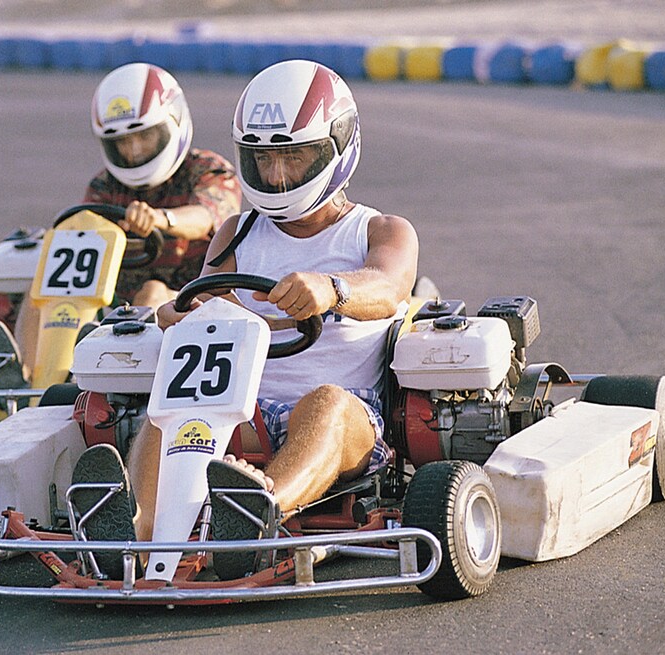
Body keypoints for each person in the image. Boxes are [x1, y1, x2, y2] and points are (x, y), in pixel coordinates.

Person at [71, 59, 420, 580]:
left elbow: (390, 288)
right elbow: (206, 302)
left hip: (343, 418)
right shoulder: (236, 231)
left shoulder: (380, 230)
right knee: (168, 408)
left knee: (325, 403)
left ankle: (258, 513)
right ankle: (133, 534)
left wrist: (333, 289)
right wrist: (177, 312)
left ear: (336, 147)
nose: (278, 176)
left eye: (294, 157)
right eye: (264, 160)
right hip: (237, 411)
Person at [0, 63, 241, 388]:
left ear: (172, 122)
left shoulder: (209, 171)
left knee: (152, 291)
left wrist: (161, 219)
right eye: (122, 142)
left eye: (144, 136)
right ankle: (28, 382)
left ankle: (104, 380)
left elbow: (208, 216)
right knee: (40, 290)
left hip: (185, 300)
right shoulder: (104, 186)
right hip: (112, 299)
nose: (133, 151)